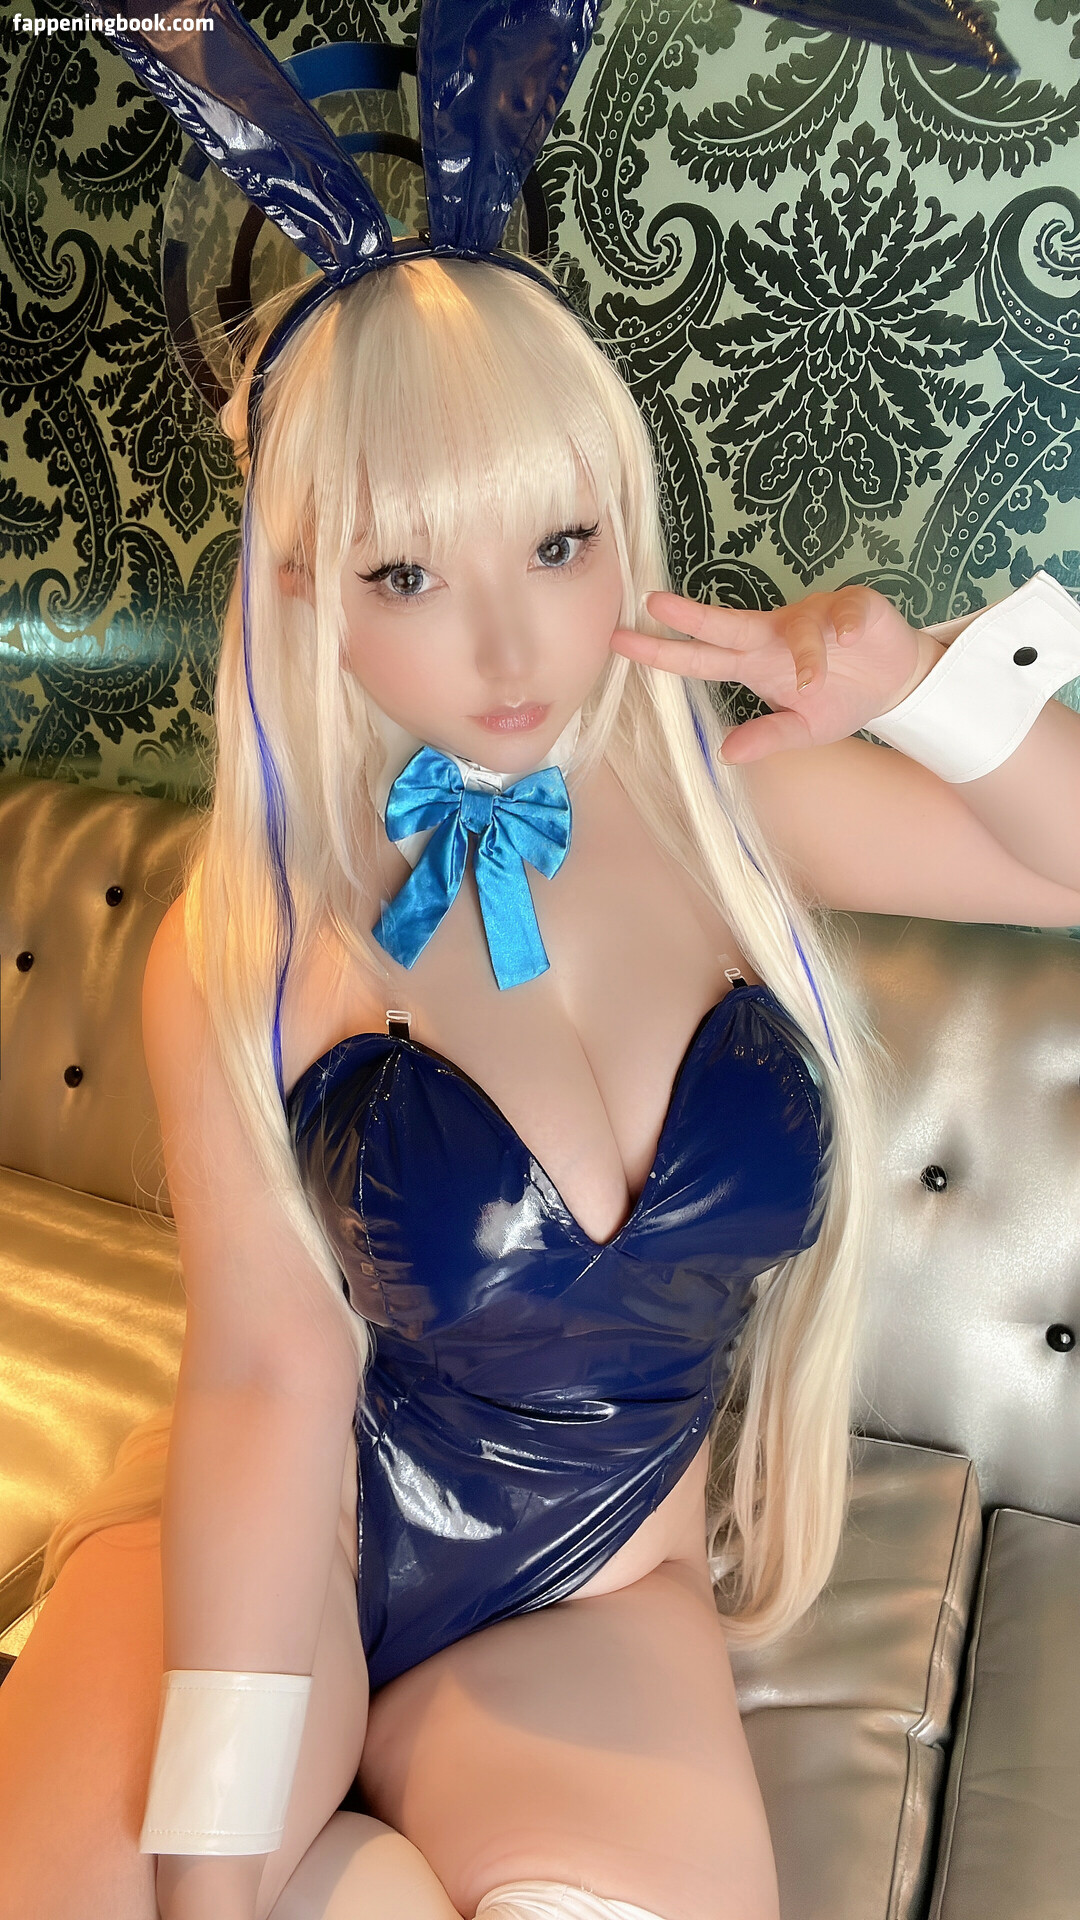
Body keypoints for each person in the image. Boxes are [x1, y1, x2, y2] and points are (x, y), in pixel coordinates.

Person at [2, 247, 1080, 1920]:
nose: (510, 642)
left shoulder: (731, 817)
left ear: (620, 526)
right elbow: (268, 1386)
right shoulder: (254, 935)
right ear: (304, 587)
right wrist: (210, 1878)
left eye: (559, 544)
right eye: (406, 573)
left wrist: (920, 692)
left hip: (597, 1584)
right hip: (276, 1544)